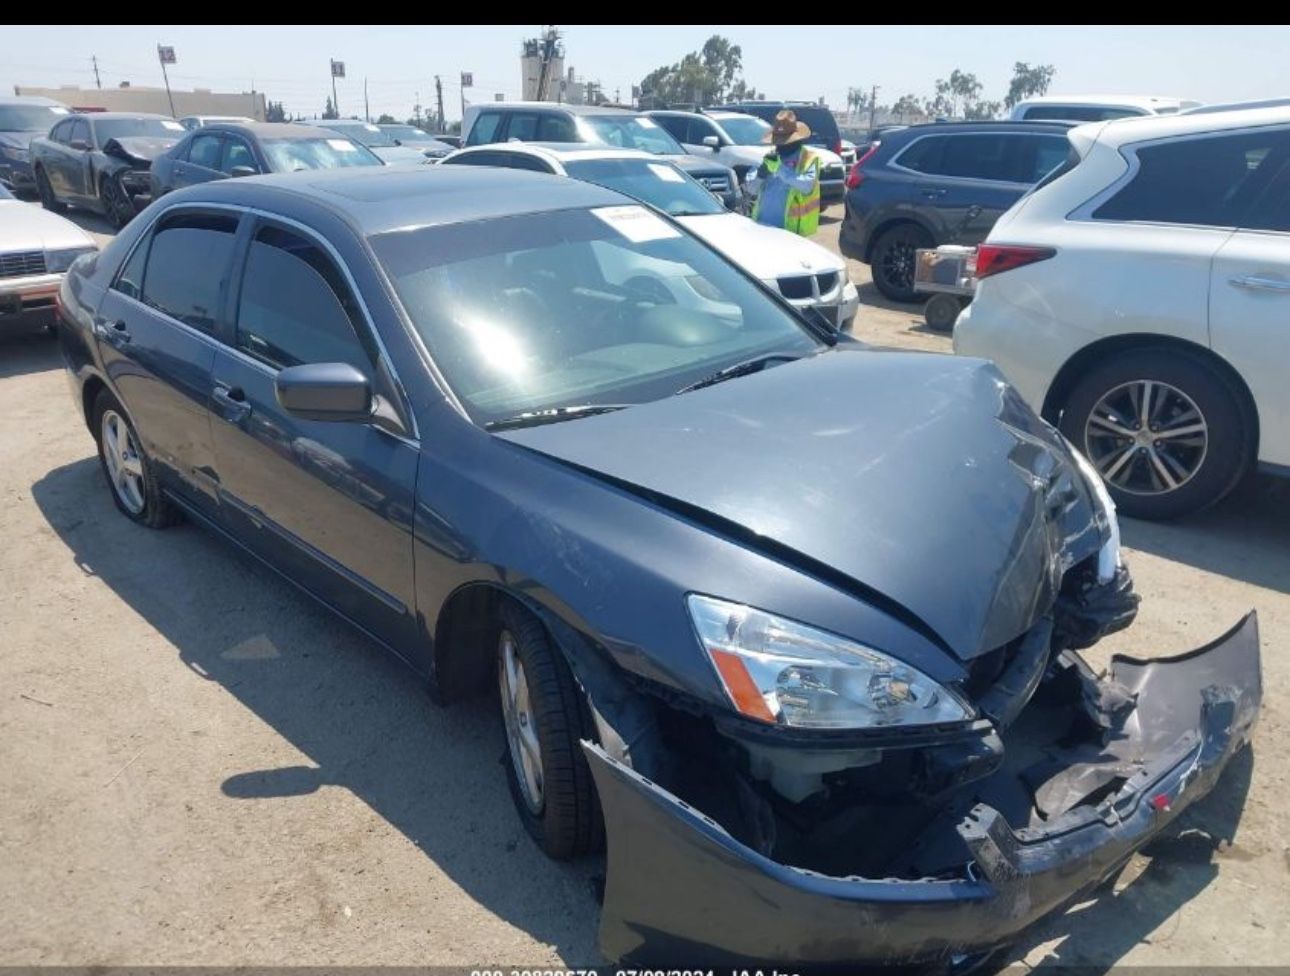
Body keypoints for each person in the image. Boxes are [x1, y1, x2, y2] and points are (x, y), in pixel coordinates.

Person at [750, 110, 821, 236]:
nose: (780, 145)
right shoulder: (770, 158)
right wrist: (759, 176)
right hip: (761, 226)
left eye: (784, 141)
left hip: (790, 230)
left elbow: (806, 185)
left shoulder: (809, 158)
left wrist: (780, 169)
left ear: (797, 140)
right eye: (778, 141)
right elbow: (750, 189)